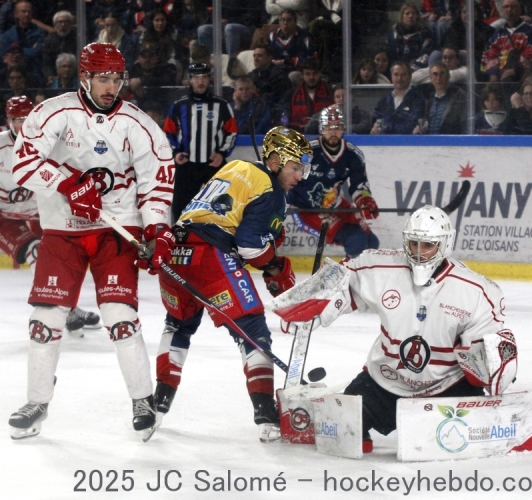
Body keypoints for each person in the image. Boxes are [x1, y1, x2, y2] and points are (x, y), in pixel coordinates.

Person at [6, 43, 175, 440]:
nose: (111, 86)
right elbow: (22, 162)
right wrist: (68, 183)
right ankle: (36, 402)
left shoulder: (139, 124)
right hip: (62, 230)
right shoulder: (53, 113)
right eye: (103, 78)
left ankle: (142, 400)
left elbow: (157, 180)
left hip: (115, 228)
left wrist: (156, 230)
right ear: (84, 77)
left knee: (120, 318)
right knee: (44, 321)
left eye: (117, 78)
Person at [274, 205, 516, 453]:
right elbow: (342, 279)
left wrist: (490, 363)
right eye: (414, 244)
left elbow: (489, 347)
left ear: (445, 244)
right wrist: (308, 299)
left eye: (428, 245)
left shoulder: (477, 291)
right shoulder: (379, 267)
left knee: (456, 443)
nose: (420, 253)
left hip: (447, 386)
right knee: (342, 431)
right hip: (385, 382)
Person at [152, 126, 313, 443]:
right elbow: (250, 247)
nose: (300, 177)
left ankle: (157, 404)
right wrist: (275, 266)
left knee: (178, 326)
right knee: (253, 330)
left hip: (176, 251)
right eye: (296, 168)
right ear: (277, 160)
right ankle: (266, 415)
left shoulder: (235, 166)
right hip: (211, 257)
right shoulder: (271, 190)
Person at [0, 95, 101, 335]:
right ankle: (55, 311)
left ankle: (68, 307)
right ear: (8, 120)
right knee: (36, 252)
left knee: (65, 256)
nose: (23, 125)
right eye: (17, 119)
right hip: (2, 216)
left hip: (39, 211)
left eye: (27, 118)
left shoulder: (50, 145)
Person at [289, 106, 380, 258]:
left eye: (337, 127)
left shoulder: (353, 155)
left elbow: (359, 184)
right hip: (306, 210)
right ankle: (348, 280)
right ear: (321, 129)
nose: (333, 132)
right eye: (328, 128)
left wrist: (365, 201)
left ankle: (361, 276)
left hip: (335, 203)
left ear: (343, 128)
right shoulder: (307, 153)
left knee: (372, 243)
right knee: (356, 240)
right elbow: (287, 177)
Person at [163, 62, 237, 221]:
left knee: (222, 207)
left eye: (204, 76)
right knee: (181, 208)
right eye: (196, 77)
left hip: (213, 164)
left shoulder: (221, 105)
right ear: (190, 80)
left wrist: (222, 154)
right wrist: (175, 152)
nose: (200, 81)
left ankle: (218, 242)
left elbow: (232, 132)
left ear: (210, 79)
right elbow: (168, 133)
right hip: (187, 165)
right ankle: (180, 241)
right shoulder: (179, 105)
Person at [480, 0, 532, 83]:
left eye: (513, 6)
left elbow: (531, 53)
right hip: (500, 75)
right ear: (502, 11)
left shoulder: (530, 31)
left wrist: (515, 70)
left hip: (522, 75)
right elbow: (490, 54)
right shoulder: (498, 34)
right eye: (506, 7)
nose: (509, 9)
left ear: (519, 10)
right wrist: (493, 73)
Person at [370, 61, 425, 135]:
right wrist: (375, 129)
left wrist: (385, 127)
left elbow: (411, 126)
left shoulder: (418, 99)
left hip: (407, 144)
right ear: (391, 77)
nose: (399, 78)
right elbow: (375, 121)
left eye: (403, 75)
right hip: (384, 144)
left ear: (410, 77)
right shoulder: (384, 100)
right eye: (396, 74)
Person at [416, 61, 467, 134]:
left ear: (448, 77)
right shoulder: (429, 100)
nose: (438, 78)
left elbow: (465, 125)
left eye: (442, 74)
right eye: (435, 74)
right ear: (430, 78)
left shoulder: (459, 97)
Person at [289, 57, 333, 131]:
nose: (311, 77)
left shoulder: (331, 92)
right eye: (307, 74)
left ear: (320, 73)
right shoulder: (292, 95)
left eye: (314, 73)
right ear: (302, 75)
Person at [386, 3, 433, 71]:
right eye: (407, 13)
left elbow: (426, 54)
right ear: (402, 16)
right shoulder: (393, 36)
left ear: (417, 16)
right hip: (397, 71)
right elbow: (390, 56)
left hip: (418, 71)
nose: (410, 16)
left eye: (413, 13)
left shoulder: (425, 34)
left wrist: (413, 68)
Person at [41, 10, 77, 83]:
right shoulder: (49, 40)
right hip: (55, 77)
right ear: (54, 25)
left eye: (66, 22)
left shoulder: (78, 38)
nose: (63, 25)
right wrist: (49, 75)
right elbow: (46, 62)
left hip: (75, 76)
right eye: (60, 22)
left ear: (71, 24)